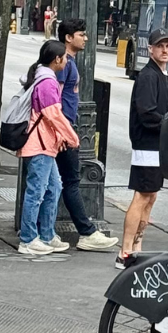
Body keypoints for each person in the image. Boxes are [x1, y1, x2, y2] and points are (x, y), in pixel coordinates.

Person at [55, 19, 119, 252]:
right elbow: (56, 98)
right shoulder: (64, 63)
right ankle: (87, 232)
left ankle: (49, 230)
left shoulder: (67, 62)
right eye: (81, 34)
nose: (86, 38)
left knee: (56, 182)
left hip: (63, 128)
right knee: (70, 181)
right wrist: (64, 130)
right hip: (63, 129)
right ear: (68, 38)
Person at [17, 40, 80, 255]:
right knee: (37, 191)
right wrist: (71, 136)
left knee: (54, 188)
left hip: (45, 143)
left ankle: (46, 234)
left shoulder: (43, 77)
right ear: (57, 59)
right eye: (65, 58)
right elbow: (53, 114)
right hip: (39, 144)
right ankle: (27, 239)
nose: (66, 62)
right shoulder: (47, 82)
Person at [120, 28, 168, 269]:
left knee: (150, 196)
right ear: (150, 48)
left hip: (157, 144)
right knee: (142, 196)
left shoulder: (162, 74)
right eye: (160, 46)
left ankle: (137, 247)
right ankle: (125, 250)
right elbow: (146, 113)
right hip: (147, 144)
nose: (164, 50)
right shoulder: (148, 76)